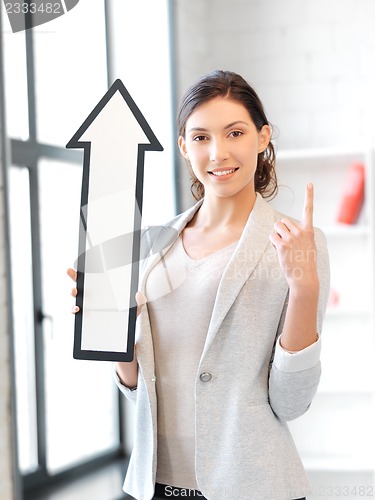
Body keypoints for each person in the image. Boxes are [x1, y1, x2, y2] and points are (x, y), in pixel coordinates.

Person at [68, 70, 330, 500]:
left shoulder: (297, 243)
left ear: (262, 138)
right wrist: (108, 331)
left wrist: (305, 290)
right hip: (154, 485)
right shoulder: (153, 247)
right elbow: (141, 393)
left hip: (254, 486)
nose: (218, 152)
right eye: (201, 137)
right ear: (183, 147)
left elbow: (292, 403)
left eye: (235, 133)